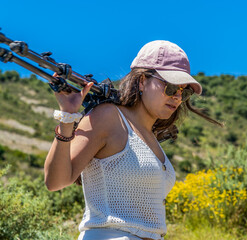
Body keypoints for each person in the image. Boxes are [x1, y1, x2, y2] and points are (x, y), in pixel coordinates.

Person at [44, 40, 222, 240]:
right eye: (171, 87)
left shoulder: (150, 137)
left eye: (184, 91)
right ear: (142, 81)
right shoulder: (108, 117)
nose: (177, 98)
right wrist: (68, 116)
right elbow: (55, 181)